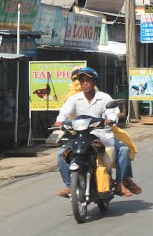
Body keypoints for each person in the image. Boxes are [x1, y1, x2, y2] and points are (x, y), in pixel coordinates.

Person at [54, 67, 141, 197]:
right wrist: (59, 122)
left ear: (94, 82)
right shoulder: (74, 98)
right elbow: (64, 112)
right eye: (82, 80)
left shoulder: (104, 97)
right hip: (80, 135)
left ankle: (120, 183)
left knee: (123, 150)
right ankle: (69, 185)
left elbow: (112, 112)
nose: (85, 83)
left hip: (102, 134)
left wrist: (110, 119)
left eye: (88, 80)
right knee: (62, 154)